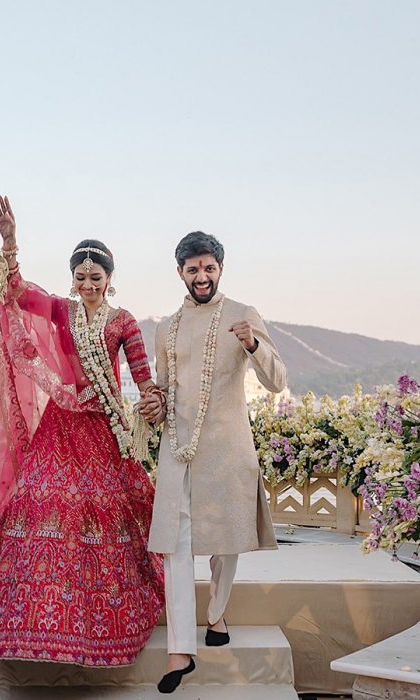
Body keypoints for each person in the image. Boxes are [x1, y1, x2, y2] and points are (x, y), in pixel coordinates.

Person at [0, 195, 165, 667]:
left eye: (97, 277)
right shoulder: (60, 310)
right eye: (80, 277)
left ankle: (104, 617)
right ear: (72, 280)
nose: (89, 284)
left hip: (103, 427)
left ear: (110, 280)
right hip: (61, 424)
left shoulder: (123, 322)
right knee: (38, 498)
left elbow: (141, 375)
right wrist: (9, 241)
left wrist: (153, 400)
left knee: (105, 510)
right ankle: (31, 614)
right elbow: (15, 294)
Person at [139, 231, 287, 693]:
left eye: (208, 268)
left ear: (220, 268)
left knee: (225, 540)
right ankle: (181, 650)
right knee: (176, 543)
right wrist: (154, 405)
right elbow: (163, 387)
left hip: (227, 448)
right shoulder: (167, 326)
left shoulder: (243, 315)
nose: (201, 276)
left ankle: (217, 613)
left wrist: (253, 345)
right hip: (178, 448)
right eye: (192, 269)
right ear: (180, 272)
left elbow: (278, 380)